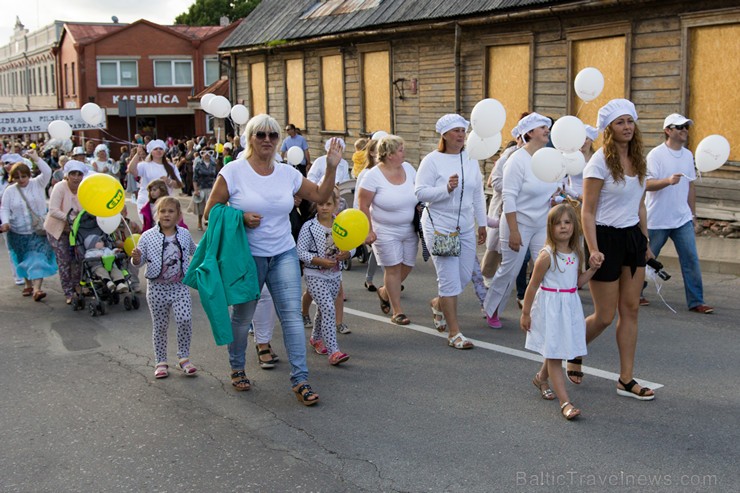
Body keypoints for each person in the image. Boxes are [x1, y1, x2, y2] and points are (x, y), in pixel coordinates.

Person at [203, 113, 342, 405]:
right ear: (250, 138)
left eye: (273, 135)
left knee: (291, 317)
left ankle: (301, 379)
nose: (267, 140)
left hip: (283, 254)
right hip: (246, 257)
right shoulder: (233, 171)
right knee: (242, 319)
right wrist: (239, 217)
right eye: (261, 135)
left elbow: (319, 194)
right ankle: (237, 367)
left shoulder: (287, 173)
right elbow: (210, 212)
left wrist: (331, 167)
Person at [575, 98, 655, 401]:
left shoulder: (639, 160)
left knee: (630, 309)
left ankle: (626, 379)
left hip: (632, 238)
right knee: (605, 316)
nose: (627, 127)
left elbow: (640, 205)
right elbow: (587, 212)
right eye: (620, 122)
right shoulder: (598, 163)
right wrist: (593, 250)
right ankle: (572, 349)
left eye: (630, 121)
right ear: (608, 128)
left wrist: (645, 241)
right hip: (605, 240)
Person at [520, 204, 602, 420]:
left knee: (557, 347)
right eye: (558, 223)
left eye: (568, 222)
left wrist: (592, 270)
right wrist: (526, 313)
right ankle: (565, 402)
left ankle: (540, 378)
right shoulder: (547, 256)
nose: (564, 227)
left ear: (574, 226)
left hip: (569, 306)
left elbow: (577, 283)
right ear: (550, 228)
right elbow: (533, 285)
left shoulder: (576, 253)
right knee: (555, 354)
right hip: (551, 308)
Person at [415, 114, 487, 349]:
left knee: (463, 277)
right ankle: (455, 333)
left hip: (465, 227)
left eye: (463, 130)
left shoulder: (470, 158)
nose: (461, 134)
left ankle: (438, 303)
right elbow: (420, 193)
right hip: (439, 227)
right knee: (448, 280)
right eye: (456, 130)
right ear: (444, 134)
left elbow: (477, 193)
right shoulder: (432, 160)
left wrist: (482, 223)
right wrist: (445, 189)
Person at [483, 113, 560, 328]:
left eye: (548, 127)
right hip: (517, 224)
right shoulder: (516, 160)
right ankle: (491, 308)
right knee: (510, 270)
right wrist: (514, 232)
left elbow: (552, 187)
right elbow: (509, 198)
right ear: (529, 133)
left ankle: (543, 312)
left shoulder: (547, 157)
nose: (547, 130)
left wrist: (556, 197)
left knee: (546, 267)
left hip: (540, 224)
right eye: (542, 127)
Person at [640, 113, 713, 314]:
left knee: (691, 258)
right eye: (679, 127)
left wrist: (693, 215)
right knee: (645, 259)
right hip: (657, 219)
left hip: (682, 219)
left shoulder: (688, 155)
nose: (684, 131)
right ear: (668, 130)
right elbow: (645, 184)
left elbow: (690, 187)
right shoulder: (656, 155)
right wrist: (667, 181)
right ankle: (636, 292)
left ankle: (696, 301)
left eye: (686, 127)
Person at [131, 197, 198, 379]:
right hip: (157, 288)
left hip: (180, 287)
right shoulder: (147, 236)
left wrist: (214, 247)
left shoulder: (184, 234)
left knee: (184, 320)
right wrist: (136, 258)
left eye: (171, 211)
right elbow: (139, 262)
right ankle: (161, 361)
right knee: (160, 326)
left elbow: (196, 251)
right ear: (157, 215)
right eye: (163, 211)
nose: (166, 215)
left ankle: (183, 357)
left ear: (178, 215)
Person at [358, 135, 418, 325]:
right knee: (392, 268)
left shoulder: (409, 168)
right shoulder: (372, 176)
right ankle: (397, 311)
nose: (404, 153)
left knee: (407, 265)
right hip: (384, 229)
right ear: (390, 154)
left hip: (409, 228)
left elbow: (420, 190)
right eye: (400, 150)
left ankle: (384, 291)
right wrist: (368, 230)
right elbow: (363, 204)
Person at [297, 188, 351, 365]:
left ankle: (315, 338)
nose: (325, 208)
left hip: (335, 274)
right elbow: (300, 252)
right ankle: (334, 351)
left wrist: (348, 253)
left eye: (329, 204)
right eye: (321, 204)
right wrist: (318, 260)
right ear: (316, 204)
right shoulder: (309, 227)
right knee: (328, 308)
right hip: (314, 274)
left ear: (335, 205)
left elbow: (352, 245)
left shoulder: (341, 225)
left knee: (323, 309)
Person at [0, 150, 56, 301]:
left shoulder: (38, 183)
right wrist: (5, 222)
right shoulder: (10, 191)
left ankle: (37, 289)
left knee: (37, 258)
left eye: (23, 176)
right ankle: (28, 284)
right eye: (17, 177)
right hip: (18, 232)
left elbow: (47, 171)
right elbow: (4, 208)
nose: (21, 179)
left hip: (38, 231)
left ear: (29, 175)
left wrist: (36, 158)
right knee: (23, 258)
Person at [45, 160, 87, 304]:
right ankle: (68, 292)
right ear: (67, 175)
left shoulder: (84, 188)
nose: (76, 177)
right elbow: (53, 210)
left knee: (79, 259)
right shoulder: (60, 187)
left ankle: (77, 285)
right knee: (65, 261)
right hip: (58, 230)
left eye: (79, 174)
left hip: (76, 231)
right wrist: (71, 219)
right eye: (73, 174)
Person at [127, 139, 183, 221]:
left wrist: (169, 181)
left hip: (164, 203)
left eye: (160, 149)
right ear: (151, 152)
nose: (158, 151)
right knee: (149, 227)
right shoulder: (145, 165)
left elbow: (179, 184)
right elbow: (131, 170)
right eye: (155, 149)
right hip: (146, 201)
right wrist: (137, 154)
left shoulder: (171, 167)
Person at [355, 139, 380, 292]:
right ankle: (376, 280)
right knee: (379, 249)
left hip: (382, 218)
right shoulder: (365, 173)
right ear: (371, 153)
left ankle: (372, 279)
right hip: (369, 217)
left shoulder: (389, 172)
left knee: (379, 251)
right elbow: (360, 201)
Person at [193, 148, 218, 231]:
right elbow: (195, 178)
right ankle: (199, 221)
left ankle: (210, 222)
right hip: (201, 187)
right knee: (201, 207)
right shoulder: (199, 165)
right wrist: (196, 189)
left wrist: (216, 188)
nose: (207, 154)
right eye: (204, 153)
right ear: (201, 154)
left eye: (209, 152)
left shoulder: (214, 165)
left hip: (211, 187)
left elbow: (216, 177)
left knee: (211, 207)